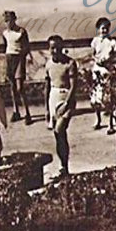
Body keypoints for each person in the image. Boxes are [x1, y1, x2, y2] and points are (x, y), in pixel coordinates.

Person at [45, 35, 78, 178]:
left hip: (66, 99)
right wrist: (46, 109)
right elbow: (46, 86)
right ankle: (63, 166)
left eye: (57, 48)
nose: (55, 51)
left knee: (60, 130)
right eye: (52, 48)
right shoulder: (48, 64)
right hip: (53, 97)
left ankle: (64, 166)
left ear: (62, 48)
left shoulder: (70, 63)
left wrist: (66, 103)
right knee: (58, 136)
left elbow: (74, 86)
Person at [90, 16, 116, 133]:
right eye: (102, 28)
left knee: (110, 98)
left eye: (106, 29)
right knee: (97, 98)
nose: (104, 31)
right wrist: (97, 60)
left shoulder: (112, 42)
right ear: (98, 29)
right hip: (98, 72)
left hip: (108, 72)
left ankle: (111, 124)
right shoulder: (95, 41)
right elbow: (93, 55)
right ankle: (98, 120)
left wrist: (108, 61)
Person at [1, 10, 32, 124]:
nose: (8, 23)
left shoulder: (22, 32)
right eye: (6, 21)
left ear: (14, 20)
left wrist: (22, 57)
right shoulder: (5, 33)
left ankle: (27, 113)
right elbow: (5, 47)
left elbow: (27, 47)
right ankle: (16, 112)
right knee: (12, 87)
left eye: (9, 20)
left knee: (20, 88)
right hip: (9, 59)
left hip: (19, 59)